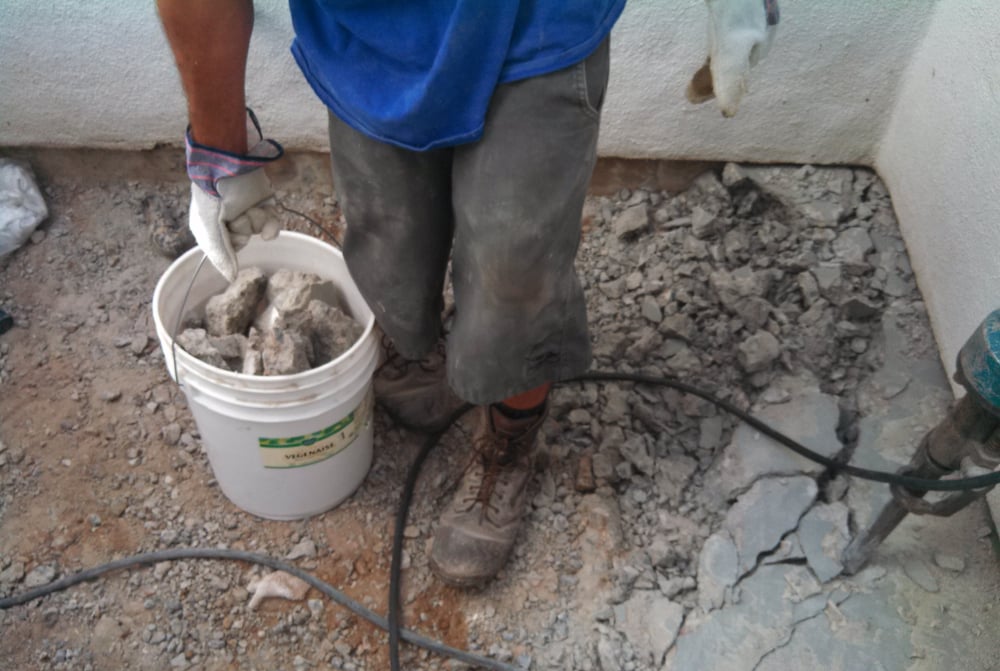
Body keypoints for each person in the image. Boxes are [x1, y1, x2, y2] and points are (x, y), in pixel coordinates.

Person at [157, 0, 778, 587]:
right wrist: (219, 154)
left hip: (535, 23)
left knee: (516, 263)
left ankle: (510, 435)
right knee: (386, 233)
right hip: (371, 36)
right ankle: (417, 355)